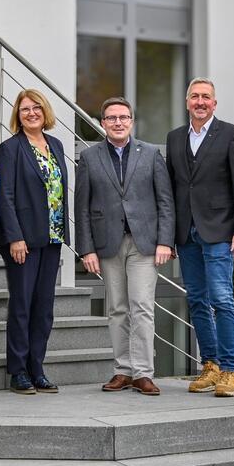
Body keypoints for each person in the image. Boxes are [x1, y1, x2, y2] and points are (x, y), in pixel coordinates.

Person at [75, 96, 175, 396]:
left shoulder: (151, 154)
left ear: (131, 121)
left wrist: (165, 241)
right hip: (107, 245)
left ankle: (143, 373)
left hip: (145, 245)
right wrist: (86, 249)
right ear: (102, 122)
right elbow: (81, 207)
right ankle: (122, 371)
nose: (118, 122)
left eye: (123, 117)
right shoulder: (90, 157)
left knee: (142, 307)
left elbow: (165, 201)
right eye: (111, 118)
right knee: (117, 309)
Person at [165, 77, 234, 398]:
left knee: (222, 298)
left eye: (206, 97)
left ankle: (230, 369)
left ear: (214, 103)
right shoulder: (175, 139)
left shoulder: (230, 135)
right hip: (187, 233)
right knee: (197, 300)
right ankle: (210, 365)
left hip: (220, 231)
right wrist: (170, 235)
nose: (200, 102)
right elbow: (173, 190)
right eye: (194, 97)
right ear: (187, 102)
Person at [0, 89, 69, 394]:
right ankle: (18, 371)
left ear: (45, 111)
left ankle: (37, 367)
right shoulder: (11, 148)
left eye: (36, 107)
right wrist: (15, 237)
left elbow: (60, 189)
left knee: (44, 307)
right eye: (24, 109)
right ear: (18, 115)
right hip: (23, 240)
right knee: (22, 305)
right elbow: (5, 196)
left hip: (52, 238)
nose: (31, 113)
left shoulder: (56, 145)